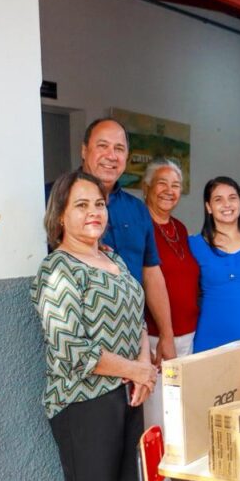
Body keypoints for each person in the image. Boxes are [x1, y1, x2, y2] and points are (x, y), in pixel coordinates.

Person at [31, 171, 162, 481]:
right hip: (82, 402)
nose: (93, 213)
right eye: (81, 205)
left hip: (127, 393)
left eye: (99, 204)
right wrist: (135, 370)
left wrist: (143, 370)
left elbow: (137, 321)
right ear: (60, 216)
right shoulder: (57, 270)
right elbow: (72, 350)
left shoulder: (112, 259)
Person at [79, 118, 176, 365]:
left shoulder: (137, 210)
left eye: (119, 149)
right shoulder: (57, 199)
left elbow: (151, 272)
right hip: (85, 347)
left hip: (133, 340)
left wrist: (166, 334)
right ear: (84, 150)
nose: (111, 156)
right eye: (102, 146)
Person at [141, 158, 199, 428]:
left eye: (175, 185)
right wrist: (165, 336)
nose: (169, 190)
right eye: (162, 183)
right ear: (147, 187)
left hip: (187, 335)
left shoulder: (180, 228)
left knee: (179, 415)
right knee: (157, 416)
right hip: (157, 339)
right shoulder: (141, 226)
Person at [189, 176, 240, 351]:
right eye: (218, 199)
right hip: (209, 336)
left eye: (232, 198)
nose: (227, 204)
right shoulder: (194, 244)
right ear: (208, 207)